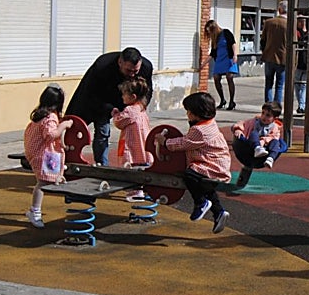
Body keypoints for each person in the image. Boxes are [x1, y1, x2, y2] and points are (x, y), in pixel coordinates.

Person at [156, 91, 232, 233]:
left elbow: (184, 143)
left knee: (190, 175)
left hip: (212, 165)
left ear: (197, 114)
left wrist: (165, 142)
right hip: (217, 162)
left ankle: (200, 203)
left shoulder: (199, 130)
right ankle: (219, 212)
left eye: (188, 112)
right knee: (205, 186)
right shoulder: (209, 124)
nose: (187, 115)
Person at [66, 48, 154, 166]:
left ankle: (140, 160)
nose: (132, 74)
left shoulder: (146, 67)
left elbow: (147, 91)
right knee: (103, 131)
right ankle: (102, 164)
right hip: (102, 98)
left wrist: (140, 106)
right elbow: (91, 94)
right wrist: (109, 109)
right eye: (129, 70)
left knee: (139, 132)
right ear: (120, 62)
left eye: (135, 71)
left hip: (130, 101)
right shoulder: (102, 66)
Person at [22, 84, 73, 228]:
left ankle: (57, 175)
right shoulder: (50, 117)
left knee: (45, 179)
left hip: (35, 152)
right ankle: (35, 211)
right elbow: (51, 135)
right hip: (42, 154)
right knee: (43, 183)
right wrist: (64, 125)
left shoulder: (39, 114)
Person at [111, 77, 153, 200]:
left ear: (133, 96)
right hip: (142, 142)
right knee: (140, 165)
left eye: (124, 94)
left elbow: (119, 122)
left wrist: (115, 115)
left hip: (132, 143)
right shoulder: (142, 108)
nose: (122, 97)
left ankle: (136, 190)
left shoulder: (130, 110)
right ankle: (141, 189)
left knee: (131, 165)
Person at [232, 101, 286, 187]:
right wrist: (238, 129)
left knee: (276, 141)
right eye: (263, 113)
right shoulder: (255, 121)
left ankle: (270, 158)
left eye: (268, 115)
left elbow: (273, 137)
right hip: (250, 147)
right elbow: (242, 123)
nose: (264, 116)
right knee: (254, 133)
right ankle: (257, 148)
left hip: (265, 149)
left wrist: (263, 142)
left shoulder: (275, 128)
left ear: (274, 118)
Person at [203, 19, 239, 111]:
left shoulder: (226, 32)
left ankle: (231, 101)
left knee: (229, 77)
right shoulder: (215, 39)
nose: (209, 34)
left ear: (214, 28)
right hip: (219, 60)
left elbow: (233, 44)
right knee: (216, 77)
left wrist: (235, 55)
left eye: (210, 31)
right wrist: (203, 64)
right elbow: (212, 53)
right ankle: (222, 100)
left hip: (229, 58)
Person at [260, 0, 290, 103]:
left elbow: (262, 40)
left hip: (269, 56)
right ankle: (276, 107)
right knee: (279, 85)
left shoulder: (269, 22)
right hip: (283, 58)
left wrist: (264, 51)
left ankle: (268, 105)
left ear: (279, 10)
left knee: (268, 84)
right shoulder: (290, 24)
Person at [294, 14, 309, 114]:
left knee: (303, 85)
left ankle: (302, 106)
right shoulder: (296, 33)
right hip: (297, 63)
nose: (301, 23)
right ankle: (301, 104)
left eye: (303, 21)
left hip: (306, 63)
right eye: (299, 21)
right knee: (297, 85)